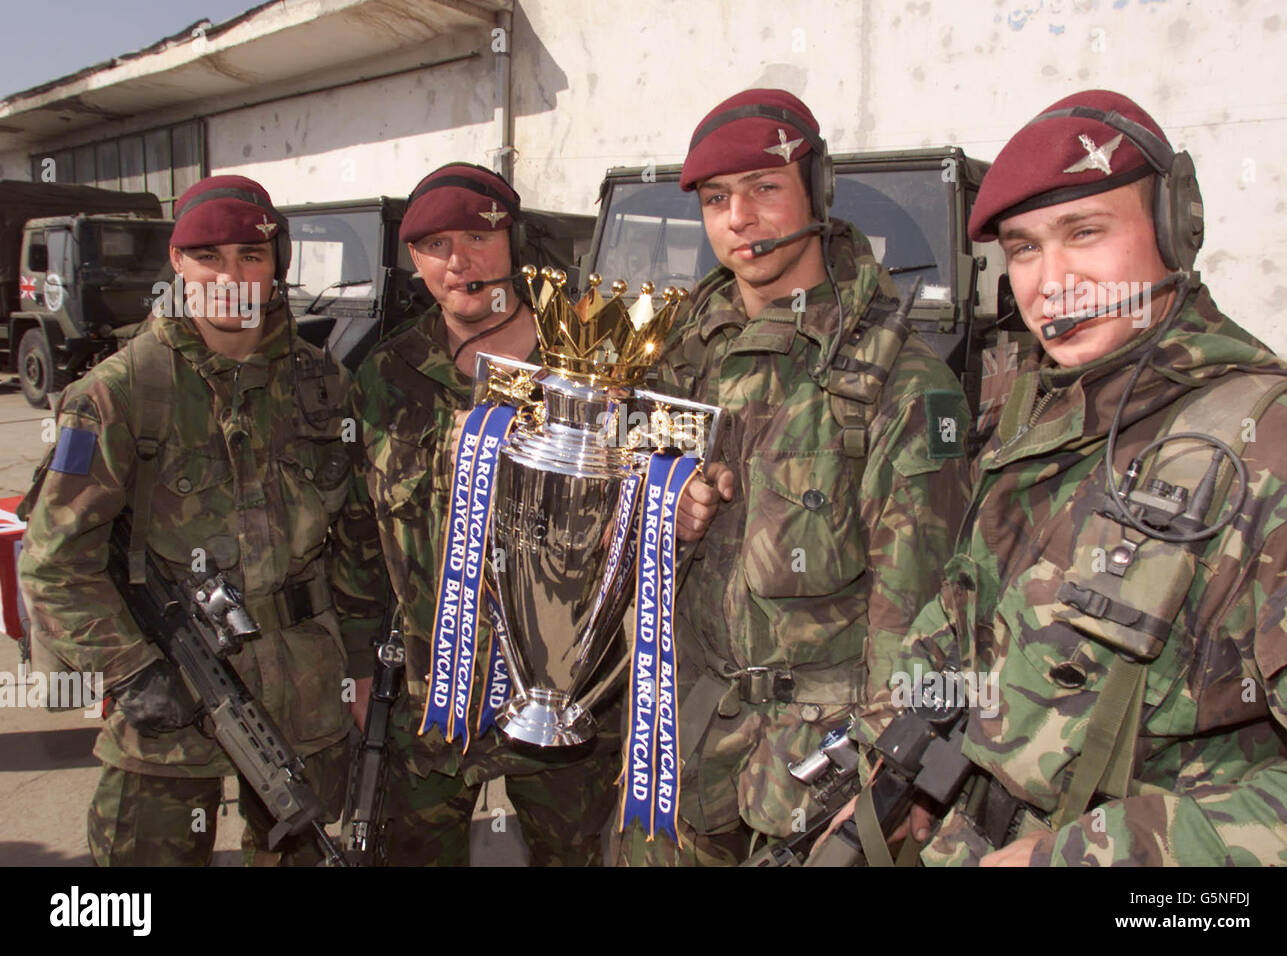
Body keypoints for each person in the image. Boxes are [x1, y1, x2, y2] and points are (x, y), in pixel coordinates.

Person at [850, 89, 1287, 867]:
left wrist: (1087, 858)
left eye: (1084, 233)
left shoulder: (1271, 448)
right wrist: (901, 768)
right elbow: (963, 621)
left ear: (1175, 228)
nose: (1051, 282)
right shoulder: (1039, 415)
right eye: (1024, 249)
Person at [610, 89, 972, 865]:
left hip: (814, 777)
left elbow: (917, 614)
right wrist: (658, 510)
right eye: (716, 199)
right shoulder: (671, 361)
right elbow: (613, 535)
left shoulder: (899, 380)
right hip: (674, 744)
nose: (739, 217)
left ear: (820, 189)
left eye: (765, 188)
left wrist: (888, 776)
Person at [332, 163, 726, 865]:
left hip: (577, 701)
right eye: (435, 245)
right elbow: (359, 538)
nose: (461, 262)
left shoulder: (605, 362)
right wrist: (363, 668)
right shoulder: (384, 378)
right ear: (415, 260)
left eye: (480, 236)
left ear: (513, 239)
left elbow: (668, 497)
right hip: (436, 700)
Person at [19, 175, 362, 866]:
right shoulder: (119, 392)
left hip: (307, 695)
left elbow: (360, 545)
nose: (231, 276)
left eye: (251, 256)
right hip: (173, 690)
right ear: (178, 264)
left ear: (276, 266)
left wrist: (361, 669)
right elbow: (55, 561)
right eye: (208, 256)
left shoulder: (323, 385)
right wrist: (133, 672)